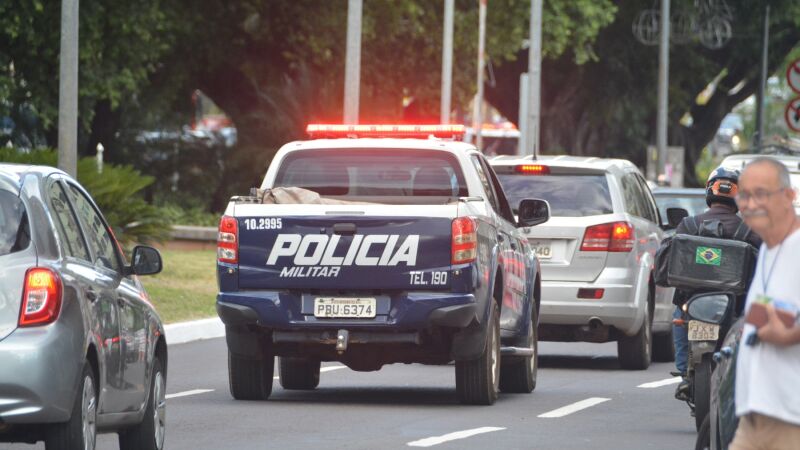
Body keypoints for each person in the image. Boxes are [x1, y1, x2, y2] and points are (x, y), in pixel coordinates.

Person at [671, 167, 762, 401]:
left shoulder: (688, 225)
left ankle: (684, 374)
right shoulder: (750, 231)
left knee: (678, 316)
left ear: (709, 191)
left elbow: (667, 262)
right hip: (735, 306)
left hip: (692, 303)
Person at [730, 157, 800, 449]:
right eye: (744, 195)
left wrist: (790, 335)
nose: (750, 204)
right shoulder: (769, 248)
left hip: (790, 421)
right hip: (754, 419)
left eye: (761, 194)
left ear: (789, 196)